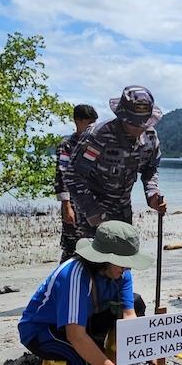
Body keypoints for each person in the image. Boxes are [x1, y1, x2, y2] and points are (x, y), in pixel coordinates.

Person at [17, 221, 149, 365]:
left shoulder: (122, 272)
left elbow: (129, 315)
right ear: (105, 259)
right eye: (122, 262)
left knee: (136, 302)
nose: (126, 267)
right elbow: (76, 336)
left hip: (84, 319)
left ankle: (109, 353)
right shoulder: (74, 275)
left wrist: (144, 350)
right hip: (44, 330)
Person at [63, 86, 167, 237]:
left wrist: (152, 194)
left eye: (143, 123)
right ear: (122, 116)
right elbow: (73, 176)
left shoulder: (150, 137)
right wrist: (95, 215)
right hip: (92, 215)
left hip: (123, 211)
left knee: (124, 251)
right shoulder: (98, 136)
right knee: (93, 252)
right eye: (133, 123)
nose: (139, 128)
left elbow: (150, 169)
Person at [57, 104, 98, 261]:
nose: (92, 127)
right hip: (74, 203)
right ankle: (64, 275)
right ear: (77, 121)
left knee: (93, 246)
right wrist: (66, 206)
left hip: (92, 204)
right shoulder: (67, 145)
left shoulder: (96, 144)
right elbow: (61, 175)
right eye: (89, 123)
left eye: (94, 122)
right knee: (71, 247)